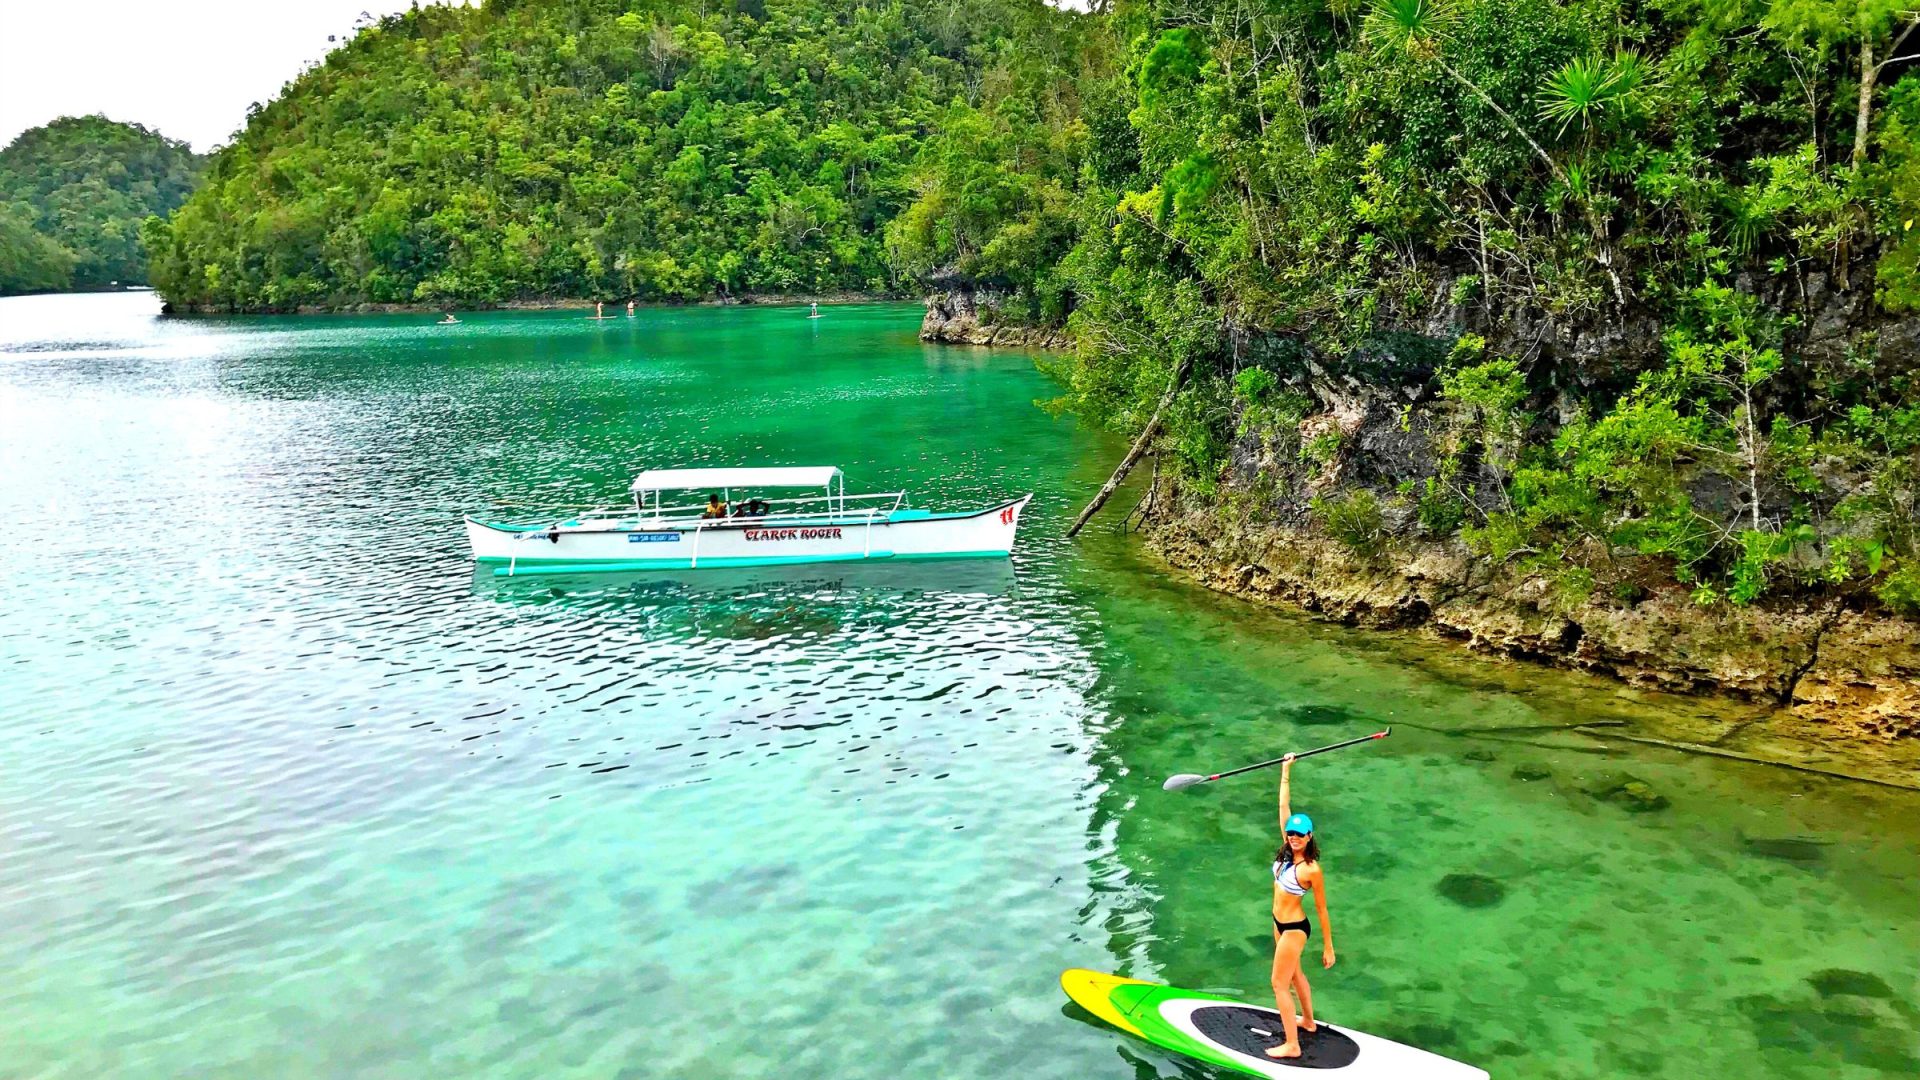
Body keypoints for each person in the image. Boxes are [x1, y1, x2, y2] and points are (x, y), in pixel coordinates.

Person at [1265, 753, 1334, 1060]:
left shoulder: (1311, 869)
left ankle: (1292, 1046)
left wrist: (1329, 946)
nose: (1293, 837)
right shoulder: (1284, 851)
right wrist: (1285, 770)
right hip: (1278, 922)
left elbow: (1322, 909)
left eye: (1299, 834)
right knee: (1294, 976)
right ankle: (1307, 1021)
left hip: (1295, 928)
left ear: (1309, 836)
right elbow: (1283, 806)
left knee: (1278, 983)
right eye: (1290, 832)